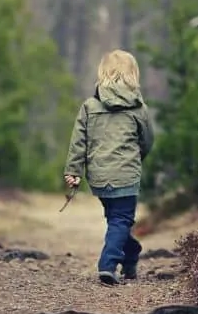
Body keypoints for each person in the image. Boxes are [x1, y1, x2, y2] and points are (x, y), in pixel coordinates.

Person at [63, 49, 155, 285]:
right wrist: (135, 158)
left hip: (99, 176)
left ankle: (131, 255)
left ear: (103, 73)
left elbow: (78, 142)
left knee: (117, 220)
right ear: (133, 75)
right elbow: (146, 141)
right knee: (121, 220)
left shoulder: (90, 106)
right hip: (127, 175)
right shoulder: (139, 109)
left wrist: (74, 170)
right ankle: (108, 264)